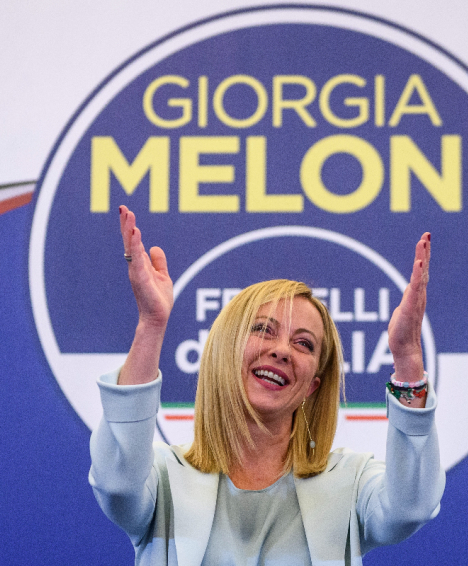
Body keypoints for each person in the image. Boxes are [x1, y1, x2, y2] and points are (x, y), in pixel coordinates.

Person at [89, 205, 446, 566]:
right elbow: (117, 484)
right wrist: (151, 324)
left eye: (304, 344)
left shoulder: (351, 482)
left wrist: (407, 358)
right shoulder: (164, 479)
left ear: (312, 386)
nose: (282, 351)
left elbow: (411, 506)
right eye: (263, 330)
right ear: (226, 350)